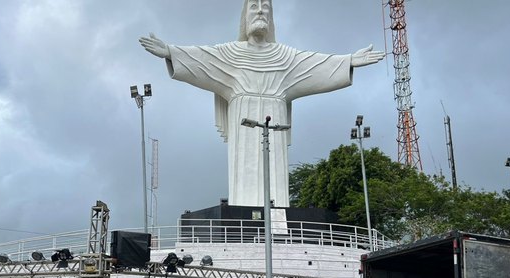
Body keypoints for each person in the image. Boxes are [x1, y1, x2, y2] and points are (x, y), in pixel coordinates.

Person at [139, 0, 385, 209]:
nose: (260, 11)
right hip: (243, 120)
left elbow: (317, 65)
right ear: (245, 17)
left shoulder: (285, 57)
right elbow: (201, 58)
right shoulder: (230, 54)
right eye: (254, 7)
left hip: (274, 117)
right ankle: (246, 214)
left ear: (271, 17)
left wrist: (350, 60)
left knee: (275, 184)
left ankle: (277, 217)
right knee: (245, 179)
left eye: (265, 7)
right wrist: (171, 51)